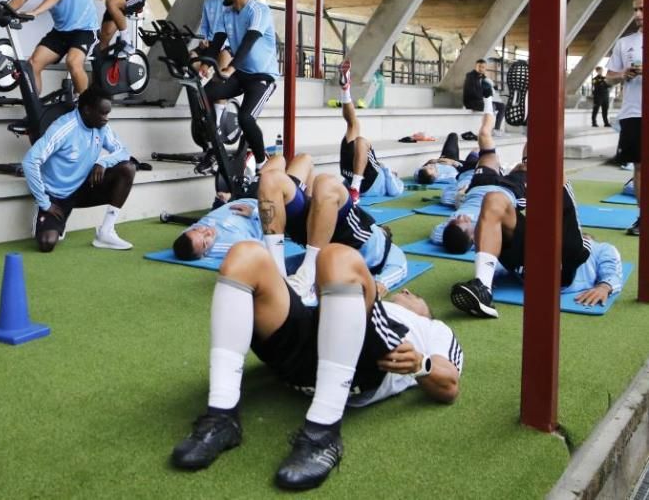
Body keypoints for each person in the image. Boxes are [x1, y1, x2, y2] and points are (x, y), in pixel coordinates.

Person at [169, 242, 462, 490]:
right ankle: (221, 418)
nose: (407, 292)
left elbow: (450, 386)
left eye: (414, 295)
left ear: (422, 307)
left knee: (338, 256)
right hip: (310, 344)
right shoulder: (345, 293)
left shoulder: (432, 327)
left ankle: (323, 434)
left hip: (369, 362)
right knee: (244, 254)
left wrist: (420, 365)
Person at [257, 154, 402, 301]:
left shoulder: (387, 251)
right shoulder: (380, 241)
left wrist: (381, 282)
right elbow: (400, 268)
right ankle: (279, 276)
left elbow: (395, 272)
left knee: (322, 183)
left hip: (325, 236)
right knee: (271, 179)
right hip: (334, 228)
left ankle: (303, 277)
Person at [450, 184, 593, 318]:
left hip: (561, 266)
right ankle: (483, 289)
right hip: (528, 256)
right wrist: (489, 273)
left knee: (559, 186)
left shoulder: (597, 248)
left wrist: (605, 286)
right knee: (493, 198)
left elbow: (610, 259)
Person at [22, 86, 136, 252]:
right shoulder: (64, 128)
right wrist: (45, 203)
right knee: (47, 243)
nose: (106, 119)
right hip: (56, 196)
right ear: (87, 110)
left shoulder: (102, 127)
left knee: (128, 168)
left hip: (84, 186)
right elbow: (30, 161)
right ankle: (49, 220)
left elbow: (123, 151)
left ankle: (106, 232)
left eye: (108, 113)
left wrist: (103, 162)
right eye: (102, 113)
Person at [203, 0, 278, 171]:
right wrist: (205, 64)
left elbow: (249, 41)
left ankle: (262, 163)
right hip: (240, 74)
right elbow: (216, 42)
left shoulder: (259, 11)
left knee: (246, 118)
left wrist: (231, 68)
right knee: (205, 93)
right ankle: (213, 148)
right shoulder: (226, 13)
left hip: (262, 76)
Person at [430, 111, 526, 254]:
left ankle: (488, 105)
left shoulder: (447, 229)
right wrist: (477, 239)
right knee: (526, 165)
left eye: (453, 221)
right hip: (508, 192)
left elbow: (437, 235)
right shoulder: (486, 228)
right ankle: (534, 125)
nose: (459, 217)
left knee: (484, 136)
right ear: (472, 236)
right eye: (462, 222)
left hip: (481, 184)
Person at [335, 59, 404, 203]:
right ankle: (345, 90)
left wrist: (387, 170)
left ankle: (354, 188)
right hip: (351, 172)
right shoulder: (386, 179)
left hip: (368, 180)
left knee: (361, 140)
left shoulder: (390, 180)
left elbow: (396, 191)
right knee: (353, 125)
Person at [606, 0, 643, 236]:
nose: (638, 14)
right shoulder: (625, 43)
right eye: (635, 10)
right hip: (633, 113)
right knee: (639, 168)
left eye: (642, 9)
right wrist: (624, 74)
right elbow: (609, 78)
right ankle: (643, 217)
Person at [414, 132, 479, 185]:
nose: (429, 166)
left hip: (445, 158)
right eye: (430, 168)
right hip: (460, 166)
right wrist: (452, 162)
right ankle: (483, 141)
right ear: (436, 176)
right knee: (474, 159)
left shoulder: (419, 174)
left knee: (453, 135)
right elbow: (460, 174)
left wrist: (432, 161)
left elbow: (419, 172)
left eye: (426, 167)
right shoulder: (447, 177)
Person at [463, 59, 505, 132]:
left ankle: (496, 129)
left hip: (481, 101)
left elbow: (486, 91)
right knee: (492, 107)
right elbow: (471, 92)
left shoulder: (483, 78)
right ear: (475, 67)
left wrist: (492, 88)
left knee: (502, 106)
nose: (481, 69)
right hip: (473, 102)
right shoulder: (470, 76)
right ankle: (486, 129)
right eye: (479, 67)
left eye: (483, 67)